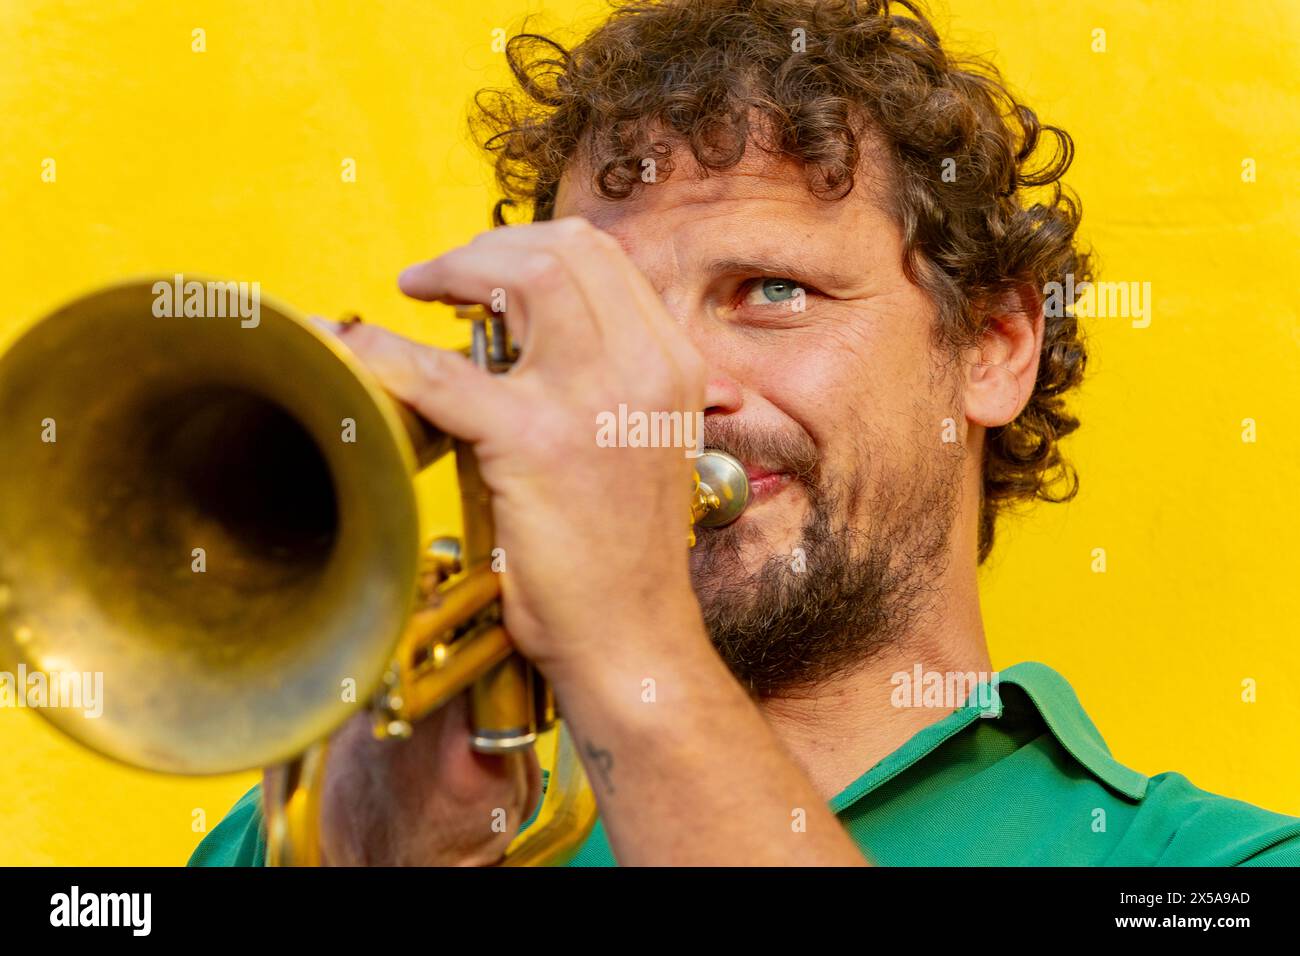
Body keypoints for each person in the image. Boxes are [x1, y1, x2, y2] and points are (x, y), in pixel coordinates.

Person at [190, 0, 1300, 866]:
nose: (663, 389)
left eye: (770, 290)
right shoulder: (330, 815)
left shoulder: (1203, 863)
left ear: (994, 345)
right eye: (611, 314)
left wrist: (628, 642)